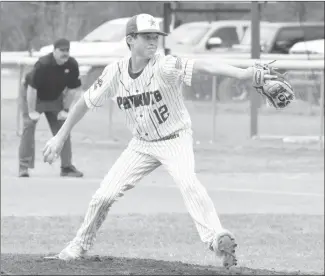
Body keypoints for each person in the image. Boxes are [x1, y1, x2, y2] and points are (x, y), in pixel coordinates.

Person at [42, 14, 279, 268]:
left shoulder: (165, 65)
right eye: (147, 37)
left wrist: (243, 74)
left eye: (156, 36)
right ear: (130, 40)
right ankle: (79, 245)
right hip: (141, 144)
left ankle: (217, 239)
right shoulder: (115, 72)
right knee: (103, 196)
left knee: (189, 183)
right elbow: (84, 103)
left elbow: (204, 65)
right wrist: (60, 135)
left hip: (175, 138)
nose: (153, 41)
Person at [18, 38, 84, 178]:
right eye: (61, 50)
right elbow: (31, 88)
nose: (65, 53)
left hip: (54, 98)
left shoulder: (72, 65)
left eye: (67, 50)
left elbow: (73, 89)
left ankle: (66, 167)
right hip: (34, 98)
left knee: (64, 128)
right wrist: (31, 111)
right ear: (54, 51)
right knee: (29, 126)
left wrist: (65, 110)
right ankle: (23, 167)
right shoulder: (43, 64)